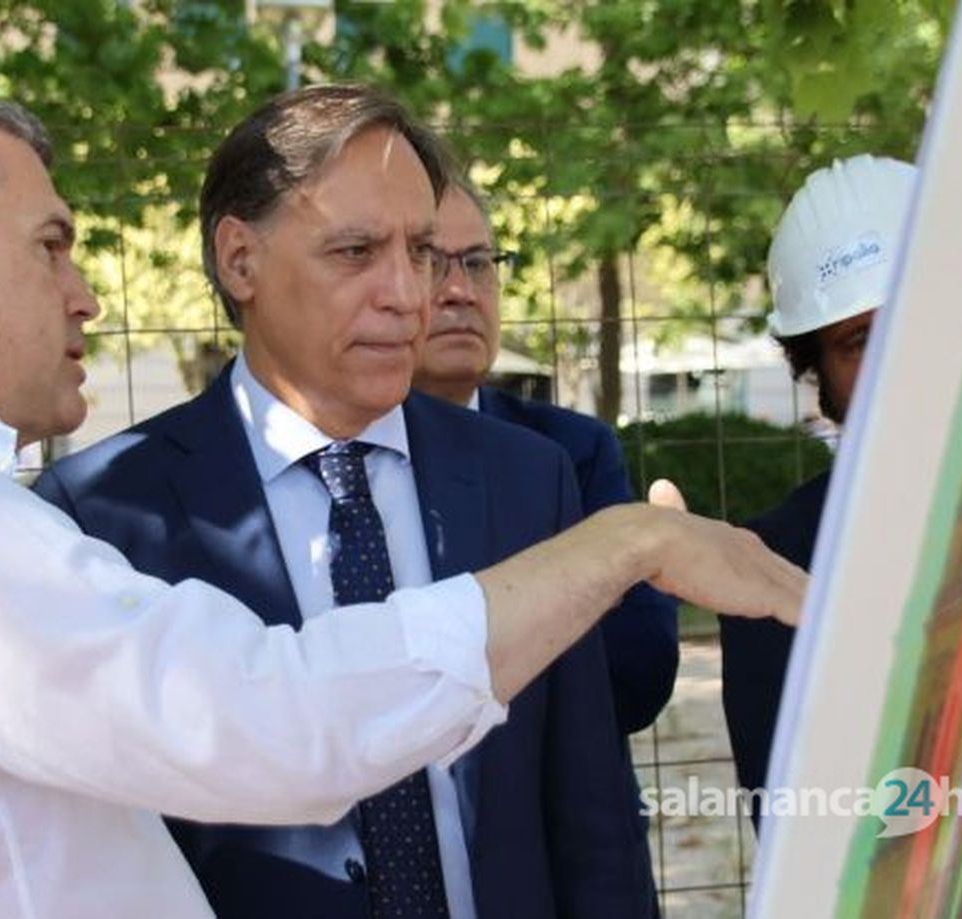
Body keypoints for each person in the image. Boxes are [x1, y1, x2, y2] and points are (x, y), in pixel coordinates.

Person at [0, 89, 803, 919]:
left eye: (424, 251)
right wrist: (626, 543)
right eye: (52, 244)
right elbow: (275, 726)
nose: (79, 290)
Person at [36, 84, 639, 919]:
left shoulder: (527, 478)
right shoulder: (106, 513)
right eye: (356, 252)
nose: (408, 293)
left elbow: (591, 810)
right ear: (238, 259)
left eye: (423, 251)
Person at [410, 175, 678, 913]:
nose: (460, 289)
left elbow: (633, 672)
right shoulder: (342, 467)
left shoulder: (568, 452)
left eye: (479, 262)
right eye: (432, 261)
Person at [717, 154, 918, 822]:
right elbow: (793, 822)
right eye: (859, 339)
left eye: (913, 314)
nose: (896, 356)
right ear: (817, 371)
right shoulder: (774, 561)